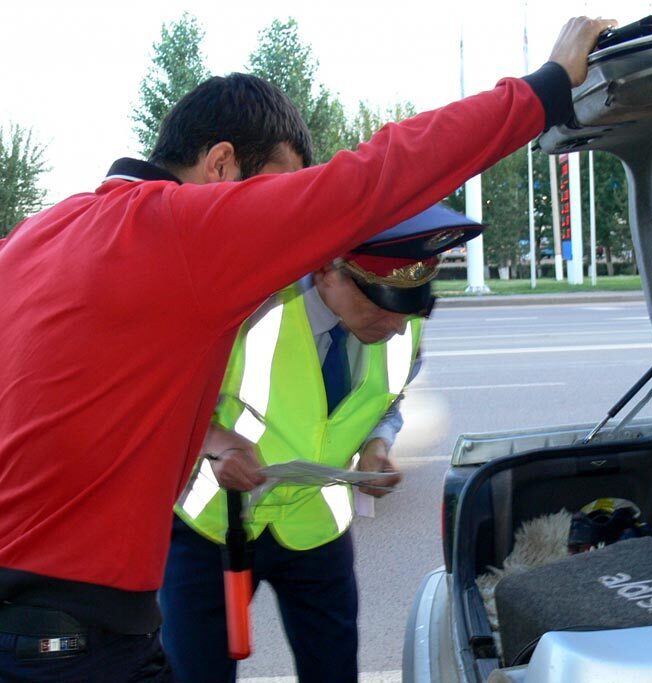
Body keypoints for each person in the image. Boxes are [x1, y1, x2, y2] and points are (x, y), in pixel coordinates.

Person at [0, 17, 615, 680]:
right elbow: (375, 177)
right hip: (73, 632)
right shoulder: (186, 233)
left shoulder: (41, 232)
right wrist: (544, 89)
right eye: (278, 189)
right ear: (222, 164)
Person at [160, 207, 478, 682]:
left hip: (315, 529)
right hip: (212, 525)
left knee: (332, 671)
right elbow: (165, 396)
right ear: (328, 268)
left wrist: (377, 443)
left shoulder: (401, 324)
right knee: (195, 674)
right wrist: (218, 442)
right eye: (379, 304)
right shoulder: (247, 307)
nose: (394, 326)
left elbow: (392, 398)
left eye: (408, 307)